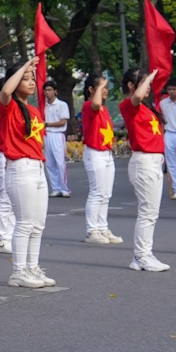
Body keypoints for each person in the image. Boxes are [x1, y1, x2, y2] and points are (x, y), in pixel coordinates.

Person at [0, 62, 57, 288]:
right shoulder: (6, 107)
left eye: (32, 78)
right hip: (19, 167)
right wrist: (26, 64)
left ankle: (32, 267)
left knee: (38, 224)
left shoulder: (34, 111)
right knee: (25, 222)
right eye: (26, 78)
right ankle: (18, 271)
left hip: (37, 168)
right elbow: (6, 91)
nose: (31, 82)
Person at [119, 70, 172, 273]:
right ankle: (142, 255)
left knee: (151, 212)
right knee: (148, 212)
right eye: (143, 82)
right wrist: (150, 77)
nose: (148, 86)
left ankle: (141, 256)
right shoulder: (129, 105)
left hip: (154, 161)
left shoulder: (146, 108)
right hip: (144, 161)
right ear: (132, 86)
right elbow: (138, 96)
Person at [79, 76, 122, 244]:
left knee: (106, 194)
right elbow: (95, 104)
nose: (105, 90)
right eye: (101, 87)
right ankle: (92, 231)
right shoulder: (89, 106)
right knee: (97, 193)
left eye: (106, 87)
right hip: (94, 153)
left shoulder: (103, 109)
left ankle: (103, 228)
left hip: (106, 153)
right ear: (91, 90)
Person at [43, 81, 72, 197]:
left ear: (55, 91)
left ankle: (64, 188)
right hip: (46, 135)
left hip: (57, 135)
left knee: (60, 163)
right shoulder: (43, 106)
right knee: (49, 163)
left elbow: (62, 122)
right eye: (46, 90)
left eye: (50, 90)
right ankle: (55, 188)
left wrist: (47, 124)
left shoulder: (62, 105)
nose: (47, 92)